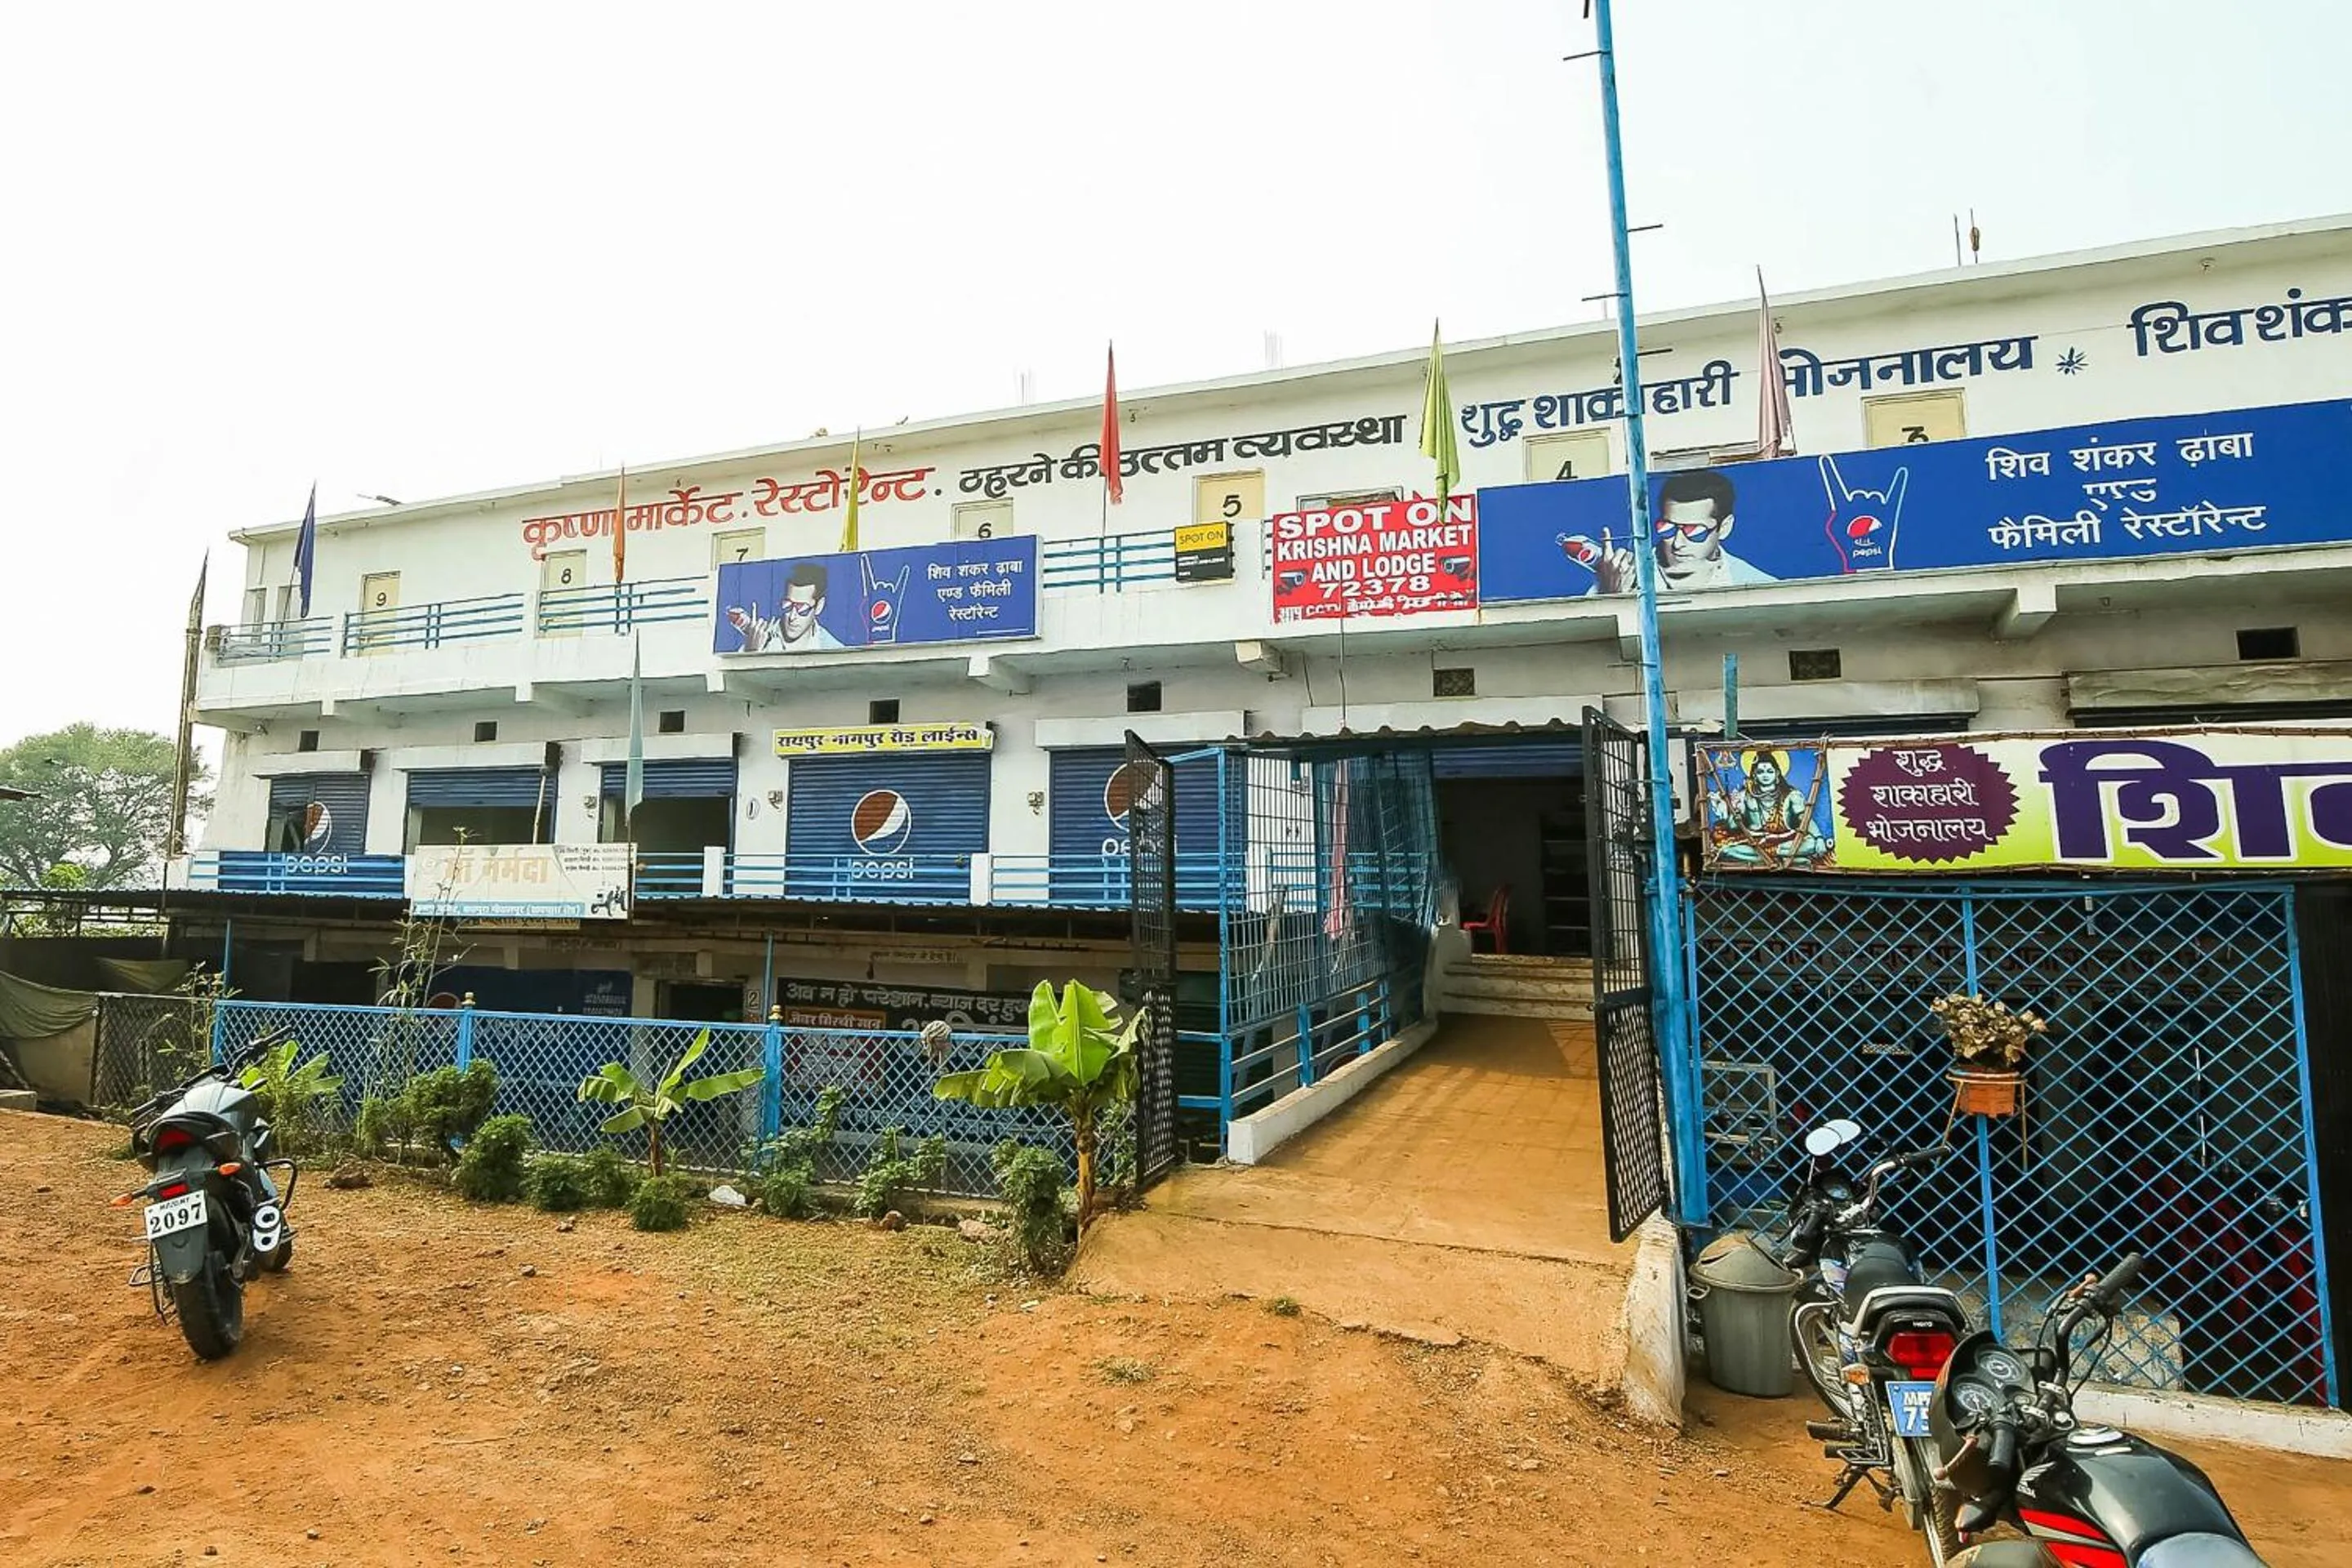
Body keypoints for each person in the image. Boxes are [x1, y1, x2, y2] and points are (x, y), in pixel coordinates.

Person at [1580, 469, 1774, 595]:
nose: (1678, 543)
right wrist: (1614, 599)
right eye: (1668, 529)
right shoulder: (1621, 576)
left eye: (1695, 531)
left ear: (1724, 528)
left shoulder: (1759, 586)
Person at [1710, 747, 1830, 865]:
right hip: (1756, 842)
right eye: (1760, 772)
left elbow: (1805, 819)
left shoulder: (1792, 795)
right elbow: (1733, 827)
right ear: (1754, 775)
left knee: (1812, 844)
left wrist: (1819, 837)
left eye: (1770, 771)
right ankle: (1787, 859)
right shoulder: (1745, 796)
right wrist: (1736, 811)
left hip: (1785, 840)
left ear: (1777, 773)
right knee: (1726, 851)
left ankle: (1769, 858)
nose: (1765, 775)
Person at [724, 561, 846, 652]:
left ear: (819, 606)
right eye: (787, 605)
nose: (792, 616)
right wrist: (751, 655)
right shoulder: (758, 640)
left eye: (802, 609)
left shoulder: (833, 650)